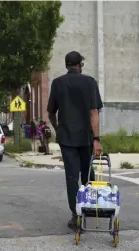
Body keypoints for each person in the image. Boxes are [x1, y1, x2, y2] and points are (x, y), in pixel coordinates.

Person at [47, 51, 103, 230]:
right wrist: (96, 139)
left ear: (67, 65)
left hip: (66, 138)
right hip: (86, 138)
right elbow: (94, 112)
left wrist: (58, 130)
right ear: (80, 65)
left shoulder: (57, 83)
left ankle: (75, 215)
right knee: (87, 174)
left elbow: (51, 113)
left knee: (71, 178)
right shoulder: (90, 82)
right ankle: (91, 208)